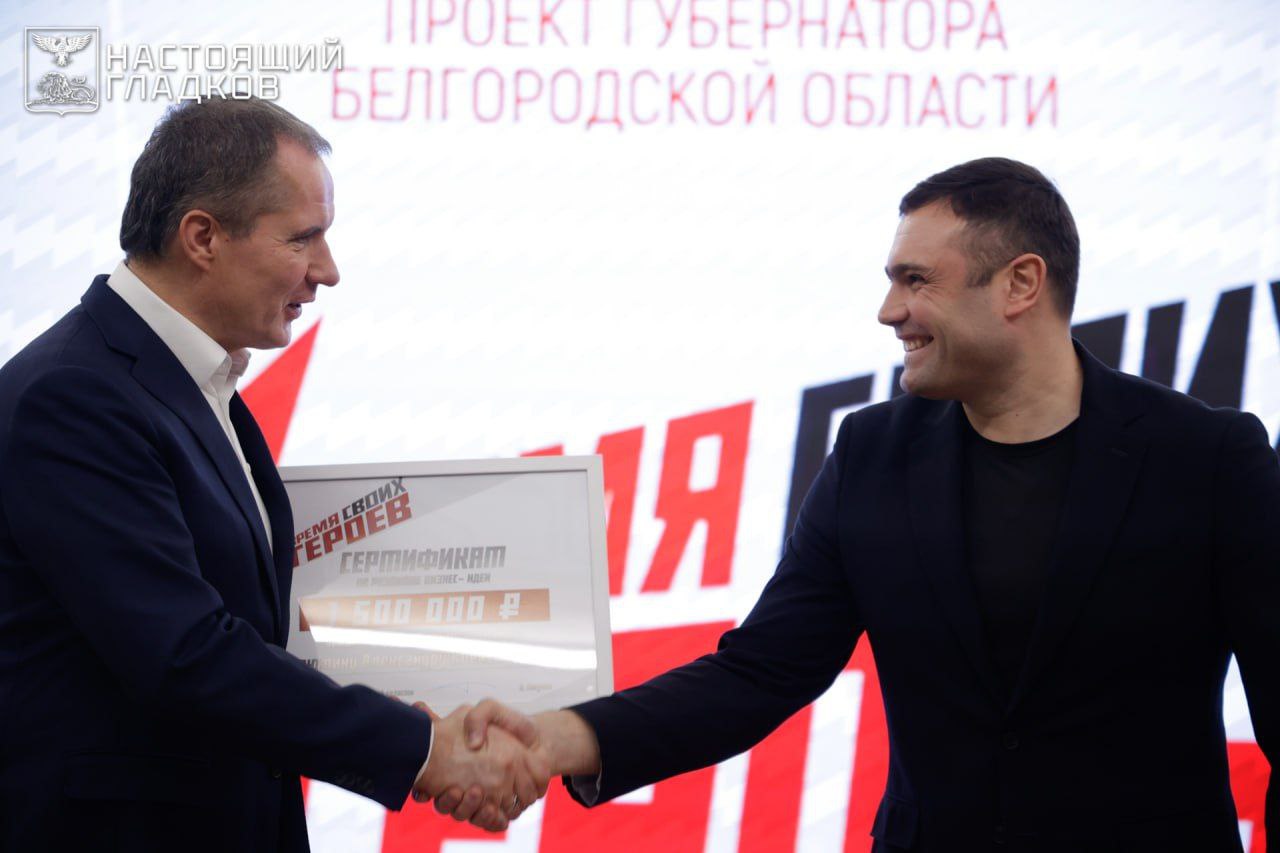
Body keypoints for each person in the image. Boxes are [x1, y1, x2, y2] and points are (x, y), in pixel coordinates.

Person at [445, 158, 1279, 851]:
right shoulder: (871, 454)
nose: (890, 312)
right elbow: (759, 673)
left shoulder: (1210, 459)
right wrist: (555, 739)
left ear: (1021, 283)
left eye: (916, 280)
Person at [0, 97, 546, 852]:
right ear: (202, 237)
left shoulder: (191, 380)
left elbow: (244, 629)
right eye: (302, 238)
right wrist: (424, 749)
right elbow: (186, 654)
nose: (328, 271)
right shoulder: (75, 395)